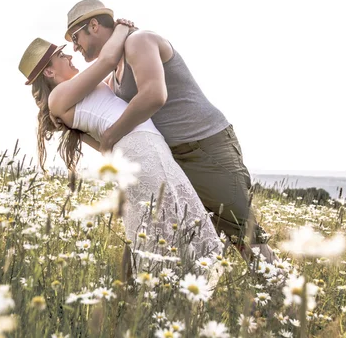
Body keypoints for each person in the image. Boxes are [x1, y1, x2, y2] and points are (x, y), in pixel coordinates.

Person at [63, 0, 277, 264]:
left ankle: (283, 299)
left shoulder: (138, 42)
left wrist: (110, 136)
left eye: (75, 37)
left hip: (205, 148)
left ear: (93, 26)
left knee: (245, 237)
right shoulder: (113, 75)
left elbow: (154, 95)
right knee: (192, 238)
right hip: (174, 159)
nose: (74, 47)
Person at [18, 21, 222, 273]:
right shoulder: (58, 97)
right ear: (49, 73)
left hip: (142, 146)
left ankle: (170, 292)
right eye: (61, 55)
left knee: (168, 224)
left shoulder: (76, 92)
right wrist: (123, 28)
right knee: (169, 225)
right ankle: (177, 289)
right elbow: (107, 60)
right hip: (141, 146)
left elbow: (105, 141)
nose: (70, 55)